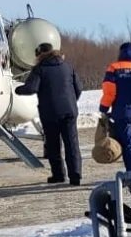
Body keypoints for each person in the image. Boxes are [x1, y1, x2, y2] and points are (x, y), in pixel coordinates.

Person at [15, 42, 82, 186]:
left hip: (50, 112)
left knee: (53, 145)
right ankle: (75, 176)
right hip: (69, 111)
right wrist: (71, 101)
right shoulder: (67, 66)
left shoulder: (40, 69)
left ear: (40, 55)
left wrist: (16, 89)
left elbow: (31, 88)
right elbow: (79, 88)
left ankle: (58, 175)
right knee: (72, 144)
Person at [100, 42, 131, 171]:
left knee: (129, 145)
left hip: (122, 113)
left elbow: (110, 92)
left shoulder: (114, 68)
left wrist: (103, 108)